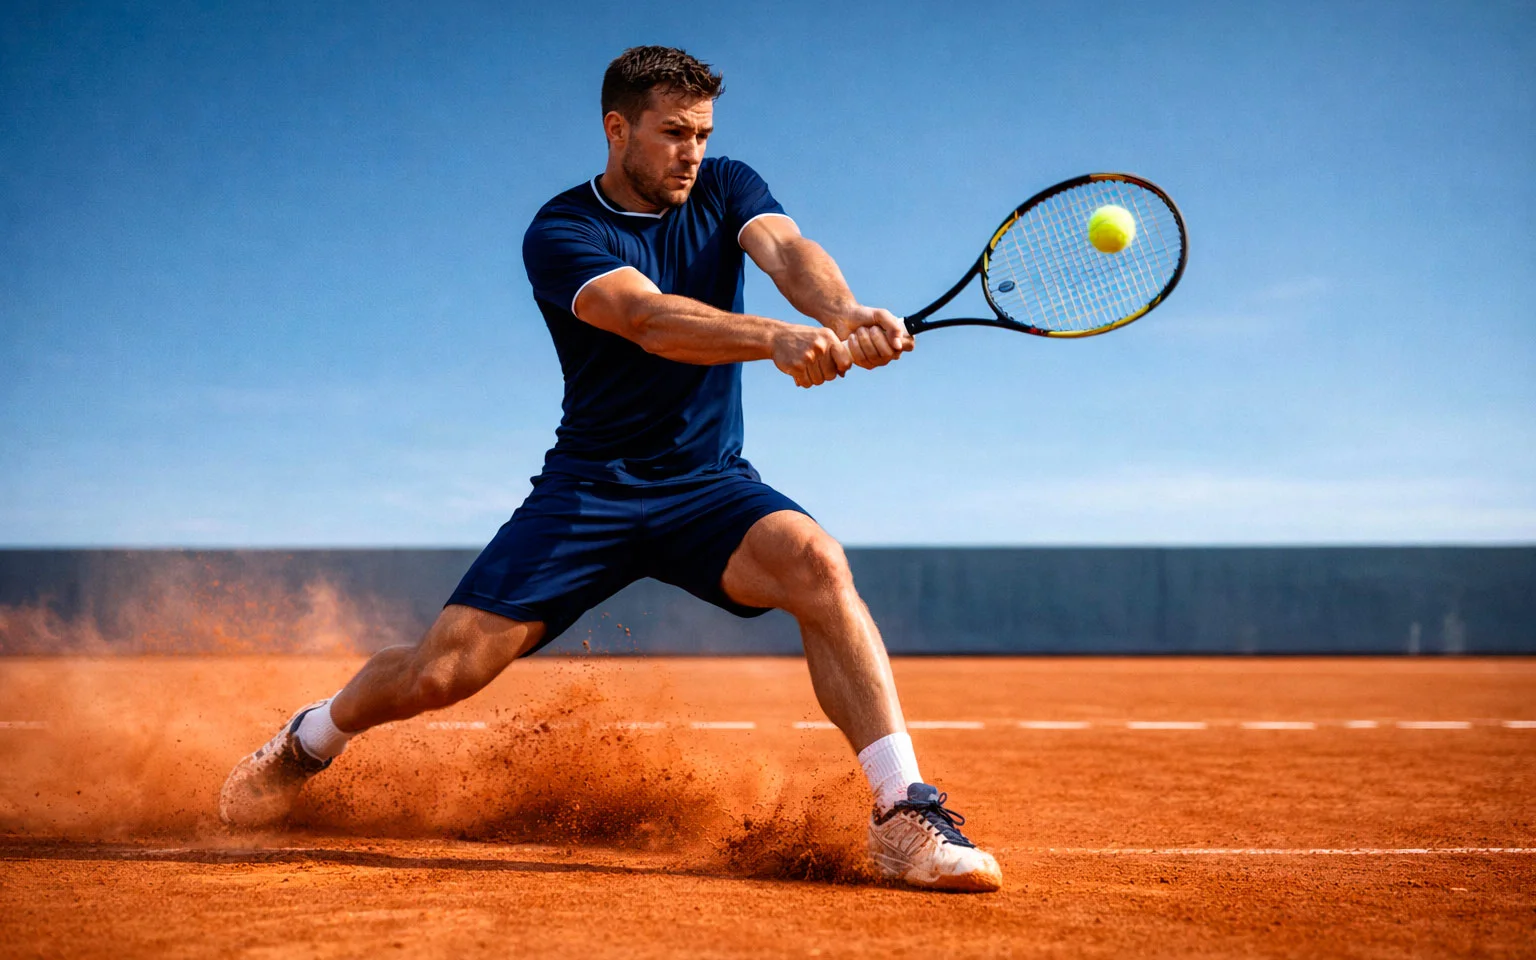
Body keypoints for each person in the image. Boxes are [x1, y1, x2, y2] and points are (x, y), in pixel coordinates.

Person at [220, 44, 1001, 892]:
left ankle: (901, 814)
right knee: (439, 672)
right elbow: (649, 319)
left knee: (818, 561)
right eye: (672, 133)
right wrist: (776, 338)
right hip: (588, 492)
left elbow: (788, 251)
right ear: (616, 128)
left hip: (707, 486)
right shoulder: (561, 232)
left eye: (702, 133)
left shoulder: (728, 183)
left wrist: (844, 311)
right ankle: (308, 741)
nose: (692, 152)